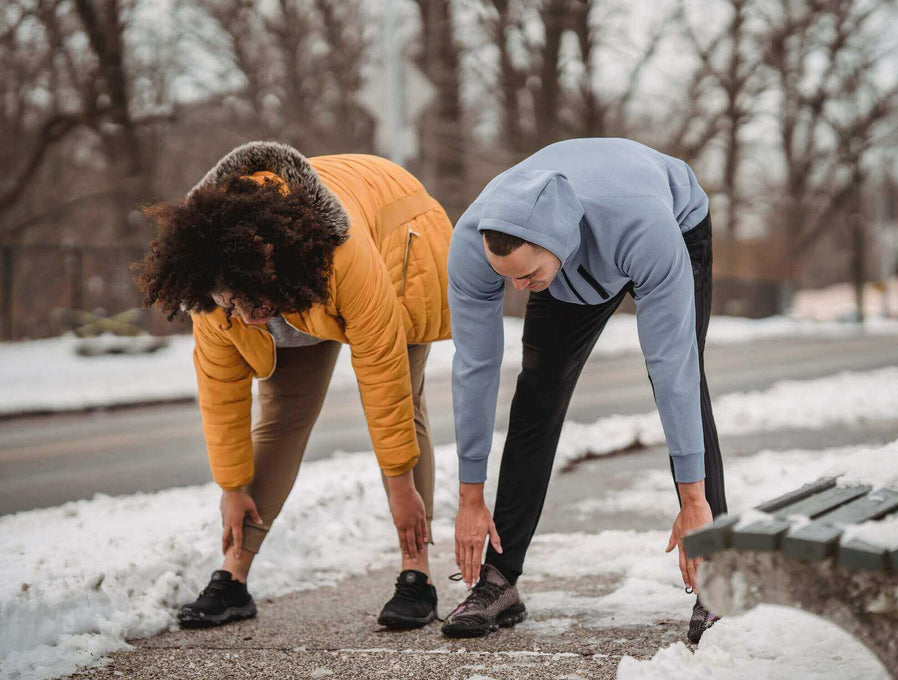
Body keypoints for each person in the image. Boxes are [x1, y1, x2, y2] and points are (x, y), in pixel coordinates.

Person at [134, 141, 452, 630]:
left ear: (274, 277)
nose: (244, 319)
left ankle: (417, 576)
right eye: (231, 306)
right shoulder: (211, 287)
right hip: (294, 279)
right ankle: (232, 578)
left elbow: (382, 377)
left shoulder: (342, 258)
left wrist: (401, 486)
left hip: (396, 236)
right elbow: (222, 394)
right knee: (282, 416)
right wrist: (232, 487)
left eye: (251, 304)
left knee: (405, 404)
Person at [444, 137, 726, 643]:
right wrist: (470, 496)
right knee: (537, 395)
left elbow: (672, 369)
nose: (516, 289)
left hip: (669, 223)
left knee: (687, 380)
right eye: (506, 276)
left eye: (527, 275)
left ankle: (718, 579)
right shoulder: (476, 241)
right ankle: (500, 579)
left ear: (558, 244)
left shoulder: (643, 229)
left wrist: (692, 502)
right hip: (575, 247)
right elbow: (475, 367)